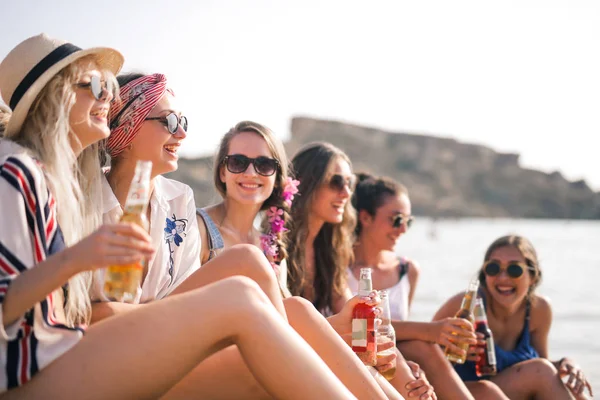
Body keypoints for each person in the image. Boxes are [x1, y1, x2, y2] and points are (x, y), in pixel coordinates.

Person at [0, 33, 360, 399]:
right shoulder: (23, 176)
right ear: (56, 96)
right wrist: (79, 259)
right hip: (42, 367)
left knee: (261, 281)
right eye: (94, 85)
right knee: (246, 304)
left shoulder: (64, 185)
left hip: (74, 348)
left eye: (108, 88)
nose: (105, 98)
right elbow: (51, 311)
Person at [191, 121, 404, 400]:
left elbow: (283, 326)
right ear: (222, 171)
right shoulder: (198, 228)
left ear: (278, 176)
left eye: (264, 165)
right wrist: (334, 330)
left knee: (368, 366)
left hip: (267, 358)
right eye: (238, 162)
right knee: (301, 311)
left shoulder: (271, 246)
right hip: (210, 360)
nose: (251, 173)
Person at [288, 142, 437, 399]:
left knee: (386, 354)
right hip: (291, 359)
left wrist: (403, 373)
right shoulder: (277, 245)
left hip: (330, 358)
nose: (346, 193)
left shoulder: (330, 253)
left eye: (350, 183)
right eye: (336, 182)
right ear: (307, 183)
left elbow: (360, 323)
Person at [350, 173, 506, 400]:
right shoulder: (341, 269)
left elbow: (402, 333)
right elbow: (353, 326)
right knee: (423, 347)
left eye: (408, 222)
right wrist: (431, 331)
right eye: (396, 220)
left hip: (399, 362)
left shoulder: (408, 270)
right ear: (365, 218)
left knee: (488, 391)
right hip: (359, 360)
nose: (403, 229)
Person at [90, 72, 202, 318]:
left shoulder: (180, 199)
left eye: (183, 122)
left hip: (168, 338)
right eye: (169, 121)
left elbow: (188, 295)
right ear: (126, 130)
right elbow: (70, 310)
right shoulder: (82, 203)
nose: (181, 134)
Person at [434, 235, 594, 400]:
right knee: (541, 371)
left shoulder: (539, 310)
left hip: (507, 392)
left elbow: (542, 367)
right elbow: (419, 355)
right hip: (460, 393)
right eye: (493, 268)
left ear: (533, 276)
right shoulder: (465, 306)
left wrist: (565, 364)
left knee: (574, 388)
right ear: (484, 274)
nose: (503, 278)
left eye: (514, 269)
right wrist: (451, 354)